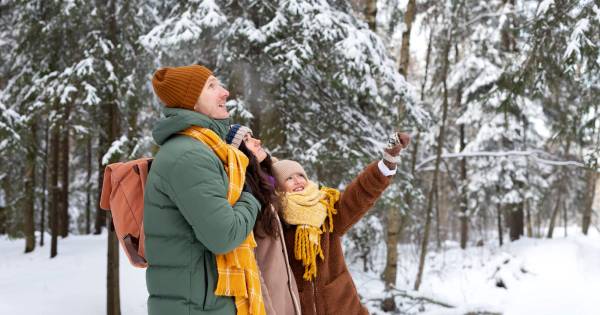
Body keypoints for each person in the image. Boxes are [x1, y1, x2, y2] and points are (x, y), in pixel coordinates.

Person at [143, 64, 265, 315]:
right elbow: (224, 235)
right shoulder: (189, 155)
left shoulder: (204, 149)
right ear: (191, 103)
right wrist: (250, 195)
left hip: (205, 303)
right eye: (211, 86)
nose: (225, 92)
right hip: (197, 307)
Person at [271, 132, 410, 315]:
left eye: (300, 175)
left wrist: (386, 163)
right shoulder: (275, 220)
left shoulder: (326, 211)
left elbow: (359, 195)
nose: (298, 181)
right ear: (277, 187)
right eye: (288, 178)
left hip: (341, 307)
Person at [225, 124, 302, 315]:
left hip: (286, 295)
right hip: (266, 301)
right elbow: (248, 259)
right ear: (238, 152)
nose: (258, 141)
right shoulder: (242, 196)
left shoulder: (267, 189)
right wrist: (265, 306)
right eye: (247, 140)